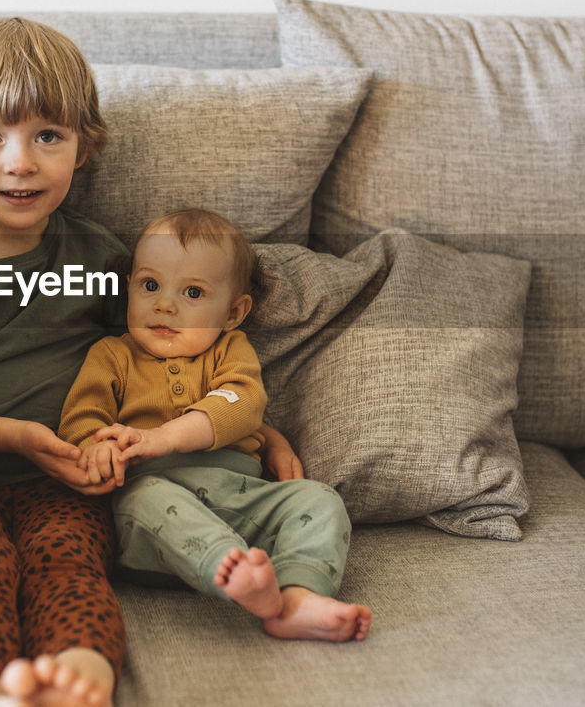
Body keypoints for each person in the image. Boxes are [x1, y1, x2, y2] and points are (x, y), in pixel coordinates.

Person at [0, 20, 306, 707]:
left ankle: (82, 676)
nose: (21, 161)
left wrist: (262, 431)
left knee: (70, 567)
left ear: (83, 147)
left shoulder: (102, 258)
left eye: (48, 135)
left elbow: (154, 366)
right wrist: (14, 435)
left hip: (71, 486)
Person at [59, 209, 372, 644]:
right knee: (147, 496)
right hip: (152, 516)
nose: (164, 304)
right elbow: (81, 417)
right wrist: (96, 447)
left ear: (233, 312)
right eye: (149, 285)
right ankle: (235, 571)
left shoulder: (230, 351)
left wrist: (167, 436)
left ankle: (297, 597)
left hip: (241, 498)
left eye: (192, 292)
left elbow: (243, 405)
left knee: (320, 499)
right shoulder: (112, 355)